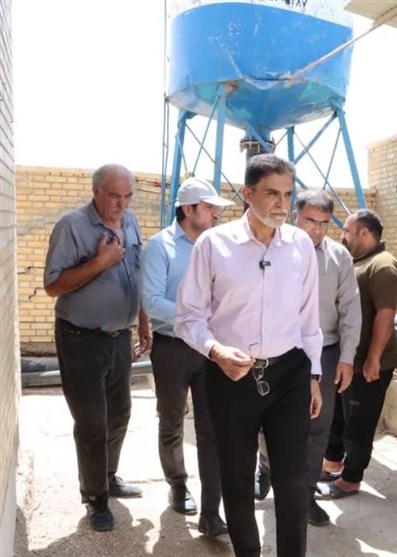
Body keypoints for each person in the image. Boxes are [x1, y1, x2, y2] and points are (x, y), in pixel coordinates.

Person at [175, 154, 323, 557]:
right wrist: (216, 351)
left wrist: (313, 376)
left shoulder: (300, 246)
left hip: (290, 375)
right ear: (247, 193)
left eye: (287, 195)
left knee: (292, 480)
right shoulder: (214, 244)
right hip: (230, 376)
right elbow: (188, 316)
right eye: (272, 193)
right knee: (237, 479)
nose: (281, 204)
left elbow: (309, 320)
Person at [43, 163, 151, 532]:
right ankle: (95, 497)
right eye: (115, 196)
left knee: (119, 414)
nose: (122, 204)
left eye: (128, 196)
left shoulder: (130, 221)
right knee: (92, 422)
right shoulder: (71, 226)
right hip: (80, 338)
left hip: (119, 337)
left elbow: (135, 272)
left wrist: (142, 320)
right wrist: (100, 262)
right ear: (96, 192)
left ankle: (107, 476)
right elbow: (53, 286)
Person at [254, 190, 361, 526]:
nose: (316, 229)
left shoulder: (339, 257)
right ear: (295, 216)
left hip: (325, 352)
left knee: (318, 425)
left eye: (324, 223)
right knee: (268, 421)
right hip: (279, 353)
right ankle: (266, 466)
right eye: (310, 221)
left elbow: (351, 309)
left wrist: (346, 357)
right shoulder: (273, 249)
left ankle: (306, 494)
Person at [141, 177, 233, 537]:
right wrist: (194, 318)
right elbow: (151, 302)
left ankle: (211, 511)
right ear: (188, 209)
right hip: (173, 349)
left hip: (211, 349)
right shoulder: (159, 247)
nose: (215, 214)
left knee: (212, 429)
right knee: (172, 421)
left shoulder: (217, 246)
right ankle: (177, 484)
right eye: (209, 207)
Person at [322, 209, 397, 498]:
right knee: (338, 418)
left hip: (368, 363)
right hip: (348, 360)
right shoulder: (358, 262)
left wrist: (374, 358)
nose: (343, 236)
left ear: (364, 232)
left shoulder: (383, 265)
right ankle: (332, 463)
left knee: (358, 423)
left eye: (347, 230)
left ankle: (351, 478)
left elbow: (385, 314)